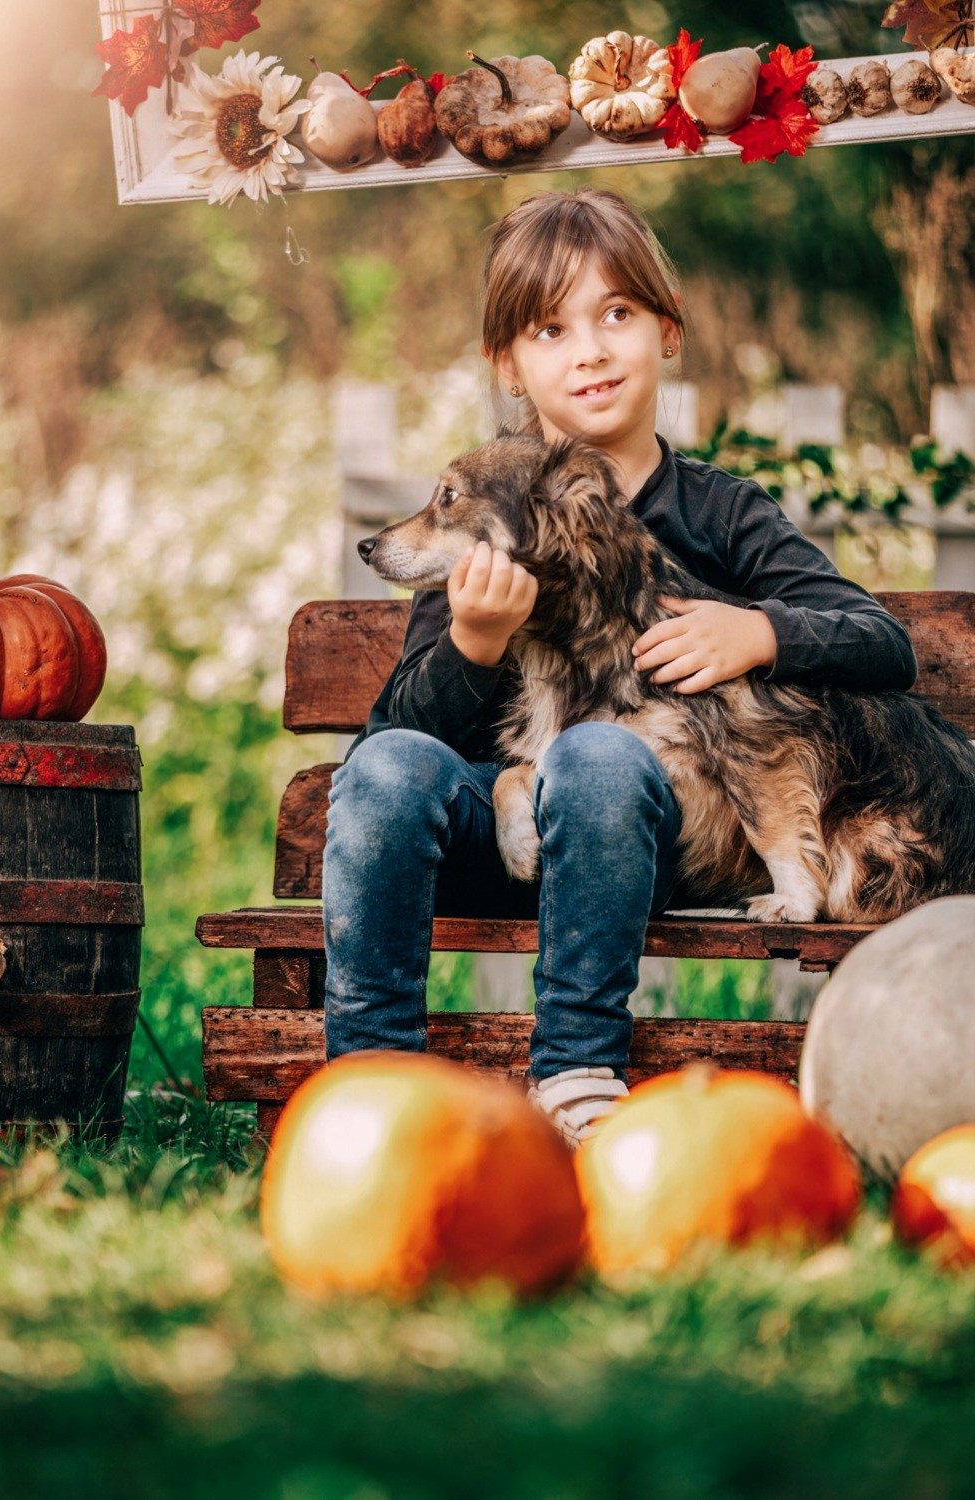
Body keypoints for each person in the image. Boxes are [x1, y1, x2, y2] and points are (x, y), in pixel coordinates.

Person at [321, 186, 917, 1147]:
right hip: (501, 831)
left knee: (598, 756)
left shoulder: (720, 514)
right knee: (383, 768)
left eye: (617, 315)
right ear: (509, 365)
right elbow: (405, 736)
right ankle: (366, 1079)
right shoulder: (489, 504)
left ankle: (575, 1076)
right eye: (550, 330)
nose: (589, 350)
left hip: (652, 829)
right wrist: (473, 641)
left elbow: (879, 639)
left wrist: (758, 631)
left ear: (666, 332)